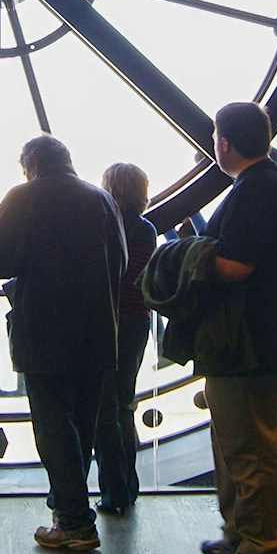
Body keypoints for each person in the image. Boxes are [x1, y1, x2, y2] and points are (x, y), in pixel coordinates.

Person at [0, 135, 127, 551]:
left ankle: (73, 519)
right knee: (81, 428)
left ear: (30, 164)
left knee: (53, 428)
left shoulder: (21, 198)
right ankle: (71, 513)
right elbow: (118, 262)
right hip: (98, 333)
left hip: (43, 333)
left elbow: (0, 263)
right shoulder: (102, 199)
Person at [196, 103, 277, 554]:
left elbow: (235, 265)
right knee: (251, 448)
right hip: (265, 345)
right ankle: (249, 541)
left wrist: (190, 259)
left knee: (244, 451)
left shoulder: (254, 191)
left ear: (223, 142)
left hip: (245, 349)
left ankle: (259, 549)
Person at [93, 162, 158, 515]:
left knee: (105, 408)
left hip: (108, 323)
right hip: (136, 323)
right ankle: (125, 488)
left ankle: (115, 490)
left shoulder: (103, 226)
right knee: (122, 404)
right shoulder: (147, 230)